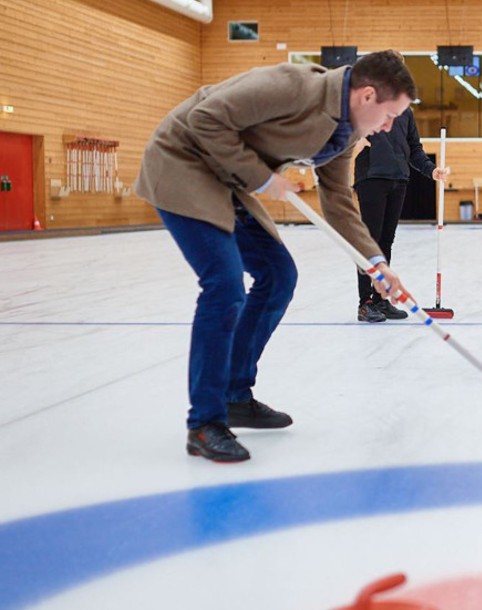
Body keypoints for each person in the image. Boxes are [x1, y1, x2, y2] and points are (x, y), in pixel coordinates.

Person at [136, 50, 415, 463]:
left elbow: (337, 199)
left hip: (228, 179)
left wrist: (374, 262)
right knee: (224, 287)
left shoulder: (347, 132)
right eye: (391, 115)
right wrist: (263, 178)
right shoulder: (292, 86)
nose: (390, 127)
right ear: (367, 96)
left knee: (278, 276)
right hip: (182, 164)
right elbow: (204, 120)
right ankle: (205, 422)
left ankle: (234, 395)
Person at [351, 108, 447, 323]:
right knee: (370, 241)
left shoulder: (405, 111)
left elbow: (414, 148)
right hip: (372, 177)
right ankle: (365, 302)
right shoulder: (364, 104)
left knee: (386, 241)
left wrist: (431, 170)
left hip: (399, 179)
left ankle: (379, 298)